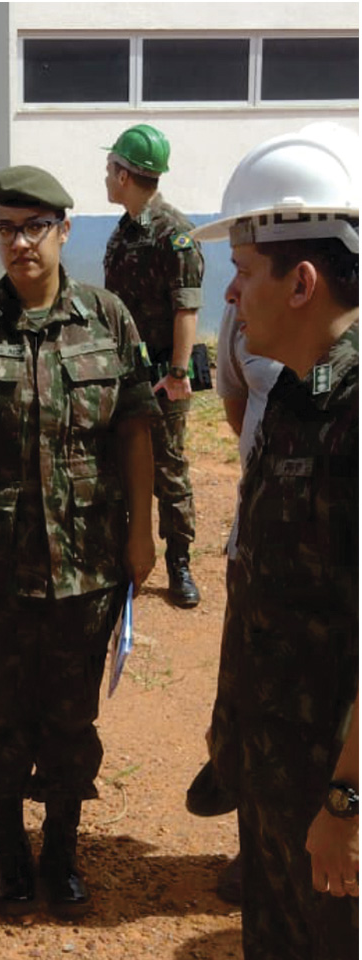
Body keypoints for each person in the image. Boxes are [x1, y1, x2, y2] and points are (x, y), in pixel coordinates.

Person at [0, 167, 158, 918]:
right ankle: (9, 851)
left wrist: (142, 533)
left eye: (33, 227)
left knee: (70, 719)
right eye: (5, 229)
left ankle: (62, 850)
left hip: (85, 563)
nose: (19, 243)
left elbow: (138, 428)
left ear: (64, 230)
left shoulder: (107, 317)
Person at [193, 123, 359, 959]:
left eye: (242, 274)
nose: (229, 297)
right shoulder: (295, 397)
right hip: (274, 777)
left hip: (334, 801)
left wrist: (346, 806)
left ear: (300, 283)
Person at [188, 303, 284, 905]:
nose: (236, 282)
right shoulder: (245, 305)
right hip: (257, 542)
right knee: (249, 695)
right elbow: (235, 402)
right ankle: (261, 844)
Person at [102, 124, 206, 608]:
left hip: (164, 378)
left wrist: (180, 373)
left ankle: (179, 564)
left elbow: (186, 307)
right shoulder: (122, 233)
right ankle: (127, 558)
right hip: (124, 377)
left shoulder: (174, 232)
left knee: (169, 471)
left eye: (110, 168)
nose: (105, 176)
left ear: (124, 174)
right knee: (120, 467)